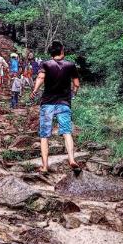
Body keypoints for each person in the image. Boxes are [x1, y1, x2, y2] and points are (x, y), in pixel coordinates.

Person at [30, 40, 80, 173]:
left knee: (44, 135)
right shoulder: (70, 65)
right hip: (64, 103)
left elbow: (40, 78)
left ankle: (45, 166)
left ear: (52, 52)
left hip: (47, 103)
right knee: (67, 132)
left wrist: (34, 91)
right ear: (62, 51)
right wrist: (73, 94)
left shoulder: (46, 64)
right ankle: (71, 159)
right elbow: (76, 84)